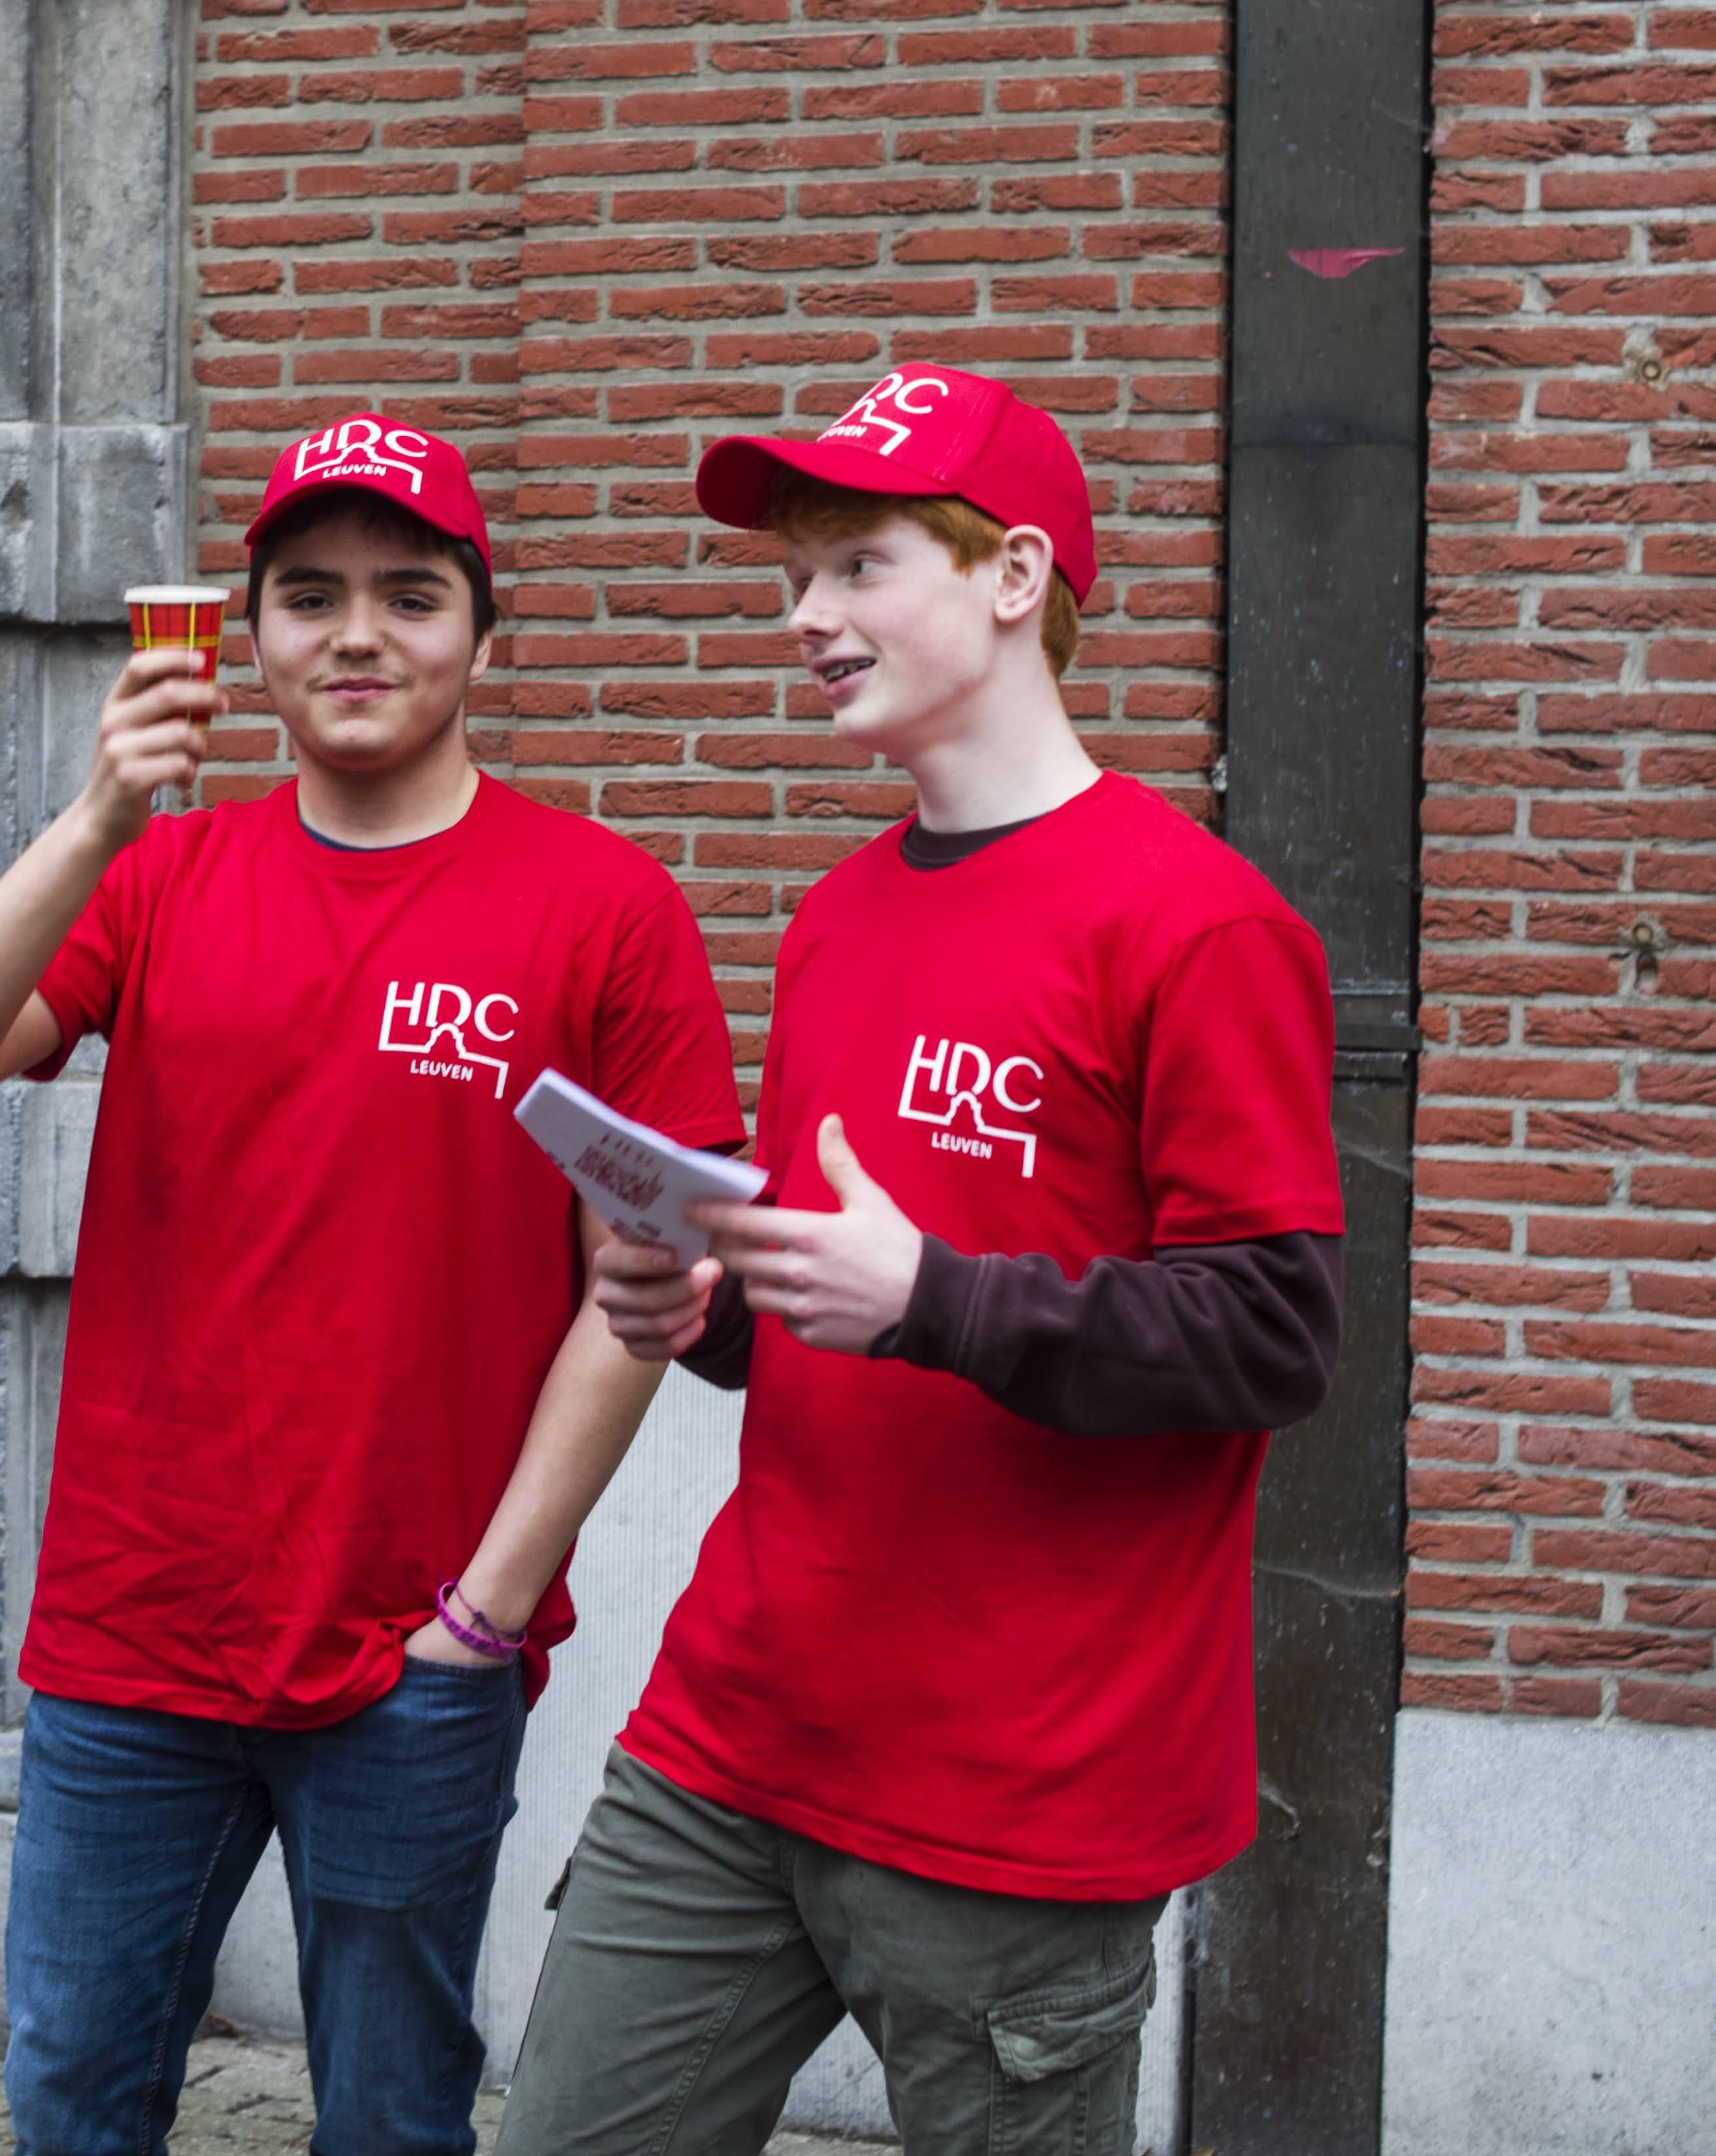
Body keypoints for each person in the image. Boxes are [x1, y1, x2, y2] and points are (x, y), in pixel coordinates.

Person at [0, 414, 748, 2153]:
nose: (355, 634)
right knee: (70, 2103)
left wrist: (482, 1616)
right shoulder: (160, 876)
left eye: (408, 595)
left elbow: (633, 1294)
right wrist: (100, 811)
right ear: (248, 634)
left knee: (393, 2120)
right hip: (133, 1636)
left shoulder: (603, 907)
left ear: (482, 634)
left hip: (413, 1649)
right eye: (308, 594)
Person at [495, 366, 1344, 2155]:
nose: (806, 616)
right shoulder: (835, 917)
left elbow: (1275, 1332)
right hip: (735, 1731)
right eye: (795, 577)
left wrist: (938, 1299)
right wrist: (696, 1299)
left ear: (1015, 576)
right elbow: (820, 1299)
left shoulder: (1199, 924)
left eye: (859, 565)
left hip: (1022, 1794)